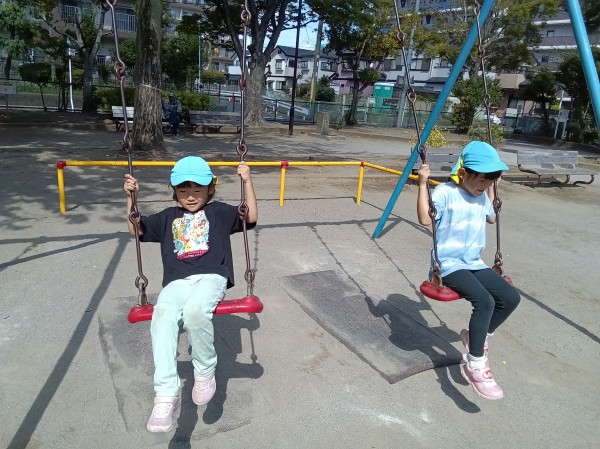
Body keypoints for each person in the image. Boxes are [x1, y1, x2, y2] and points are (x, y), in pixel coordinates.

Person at [124, 156, 258, 432]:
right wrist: (130, 198)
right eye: (183, 190)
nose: (191, 196)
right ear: (174, 191)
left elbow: (251, 217)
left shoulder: (219, 212)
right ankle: (165, 395)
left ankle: (205, 371)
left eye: (198, 189)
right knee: (162, 316)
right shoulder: (167, 217)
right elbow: (136, 229)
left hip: (212, 276)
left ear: (210, 189)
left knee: (196, 312)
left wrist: (247, 181)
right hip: (177, 282)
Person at [417, 141, 520, 400]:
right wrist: (422, 185)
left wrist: (492, 190)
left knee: (510, 298)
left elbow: (491, 218)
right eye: (481, 180)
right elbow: (425, 219)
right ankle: (475, 364)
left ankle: (476, 337)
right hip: (449, 265)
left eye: (490, 181)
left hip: (473, 262)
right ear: (463, 173)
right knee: (485, 302)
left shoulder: (482, 195)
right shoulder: (445, 193)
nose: (484, 185)